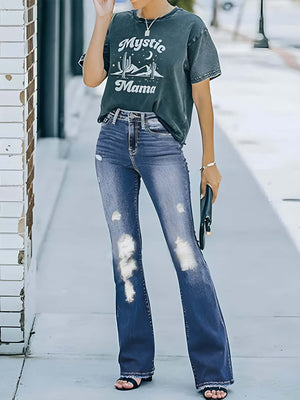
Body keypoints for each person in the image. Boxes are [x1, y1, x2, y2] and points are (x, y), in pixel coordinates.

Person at [79, 0, 234, 398]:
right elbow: (92, 78)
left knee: (186, 254)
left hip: (161, 145)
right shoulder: (118, 23)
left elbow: (202, 99)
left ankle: (212, 368)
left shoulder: (189, 27)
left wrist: (209, 162)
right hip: (112, 142)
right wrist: (101, 18)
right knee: (125, 254)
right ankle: (134, 362)